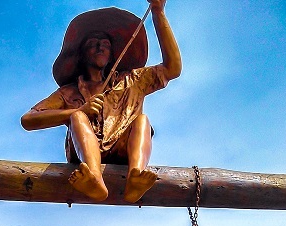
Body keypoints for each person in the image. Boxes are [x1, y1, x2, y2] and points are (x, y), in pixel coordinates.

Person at [21, 0, 181, 203]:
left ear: (112, 53)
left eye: (105, 44)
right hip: (85, 158)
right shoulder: (68, 92)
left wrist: (158, 12)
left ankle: (136, 175)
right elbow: (28, 120)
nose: (100, 47)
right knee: (78, 116)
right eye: (93, 43)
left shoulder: (131, 81)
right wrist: (75, 112)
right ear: (82, 53)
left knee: (142, 121)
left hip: (124, 150)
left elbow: (172, 68)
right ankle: (94, 177)